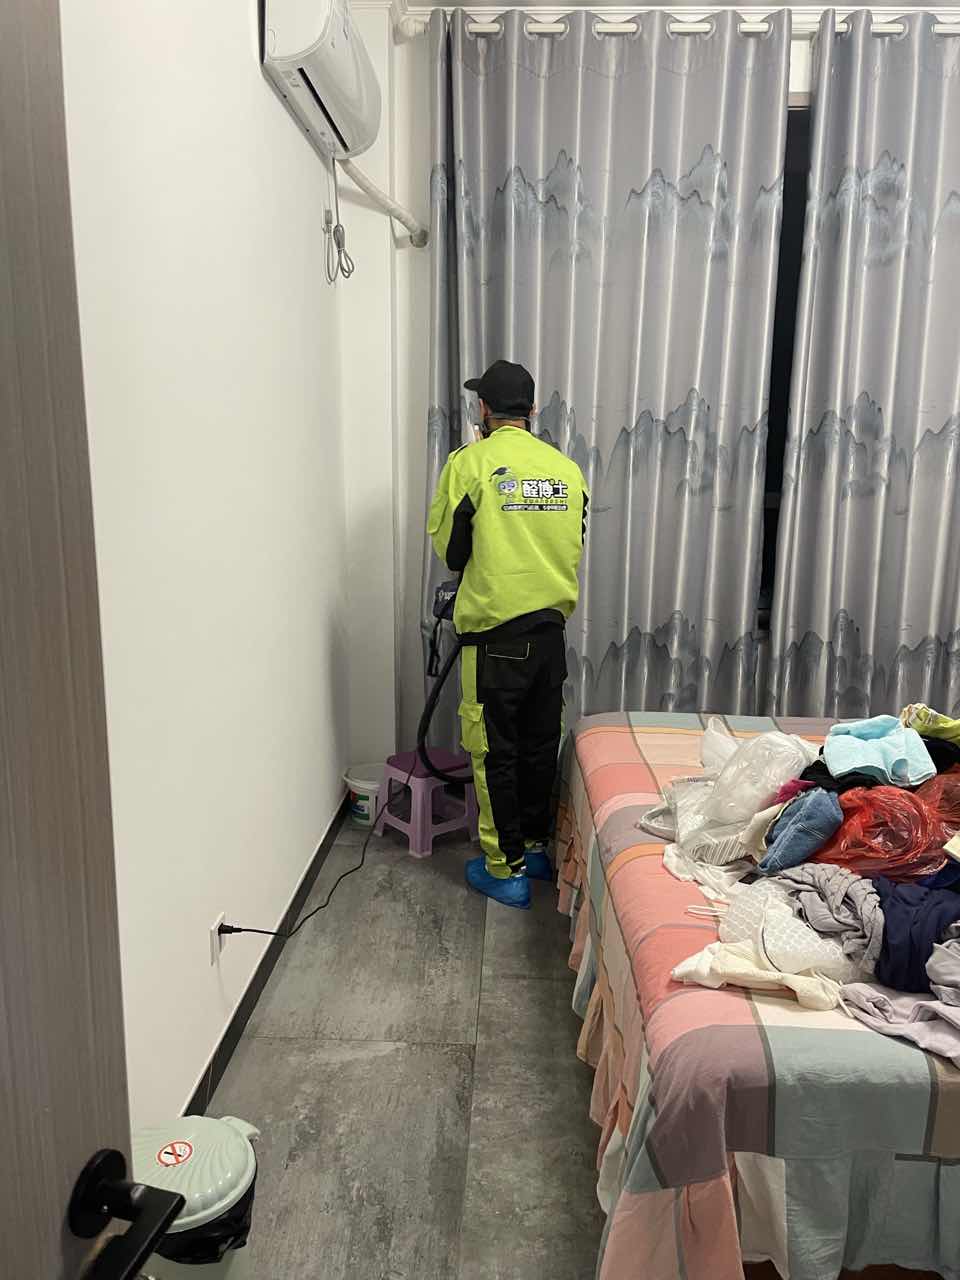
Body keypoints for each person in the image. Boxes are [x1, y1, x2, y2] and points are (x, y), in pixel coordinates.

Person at [427, 360, 589, 909]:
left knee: (494, 751)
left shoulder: (470, 464)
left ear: (484, 409)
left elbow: (452, 552)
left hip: (495, 640)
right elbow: (573, 541)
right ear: (533, 410)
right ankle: (537, 849)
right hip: (550, 637)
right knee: (540, 745)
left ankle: (505, 869)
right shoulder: (566, 470)